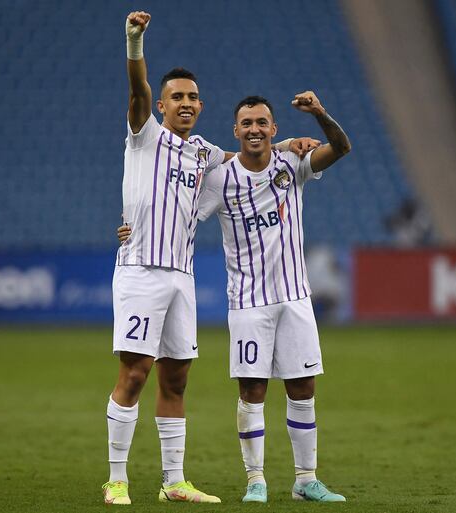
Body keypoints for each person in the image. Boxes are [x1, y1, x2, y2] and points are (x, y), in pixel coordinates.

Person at [103, 11, 318, 505]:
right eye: (176, 96)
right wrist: (134, 41)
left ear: (201, 106)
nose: (185, 103)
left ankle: (174, 481)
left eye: (192, 97)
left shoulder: (203, 153)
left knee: (176, 377)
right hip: (141, 271)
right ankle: (117, 480)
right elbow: (136, 93)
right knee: (135, 373)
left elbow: (245, 153)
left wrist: (286, 142)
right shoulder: (145, 135)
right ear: (161, 105)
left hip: (183, 277)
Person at [194, 93, 351, 503]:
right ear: (235, 131)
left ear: (274, 129)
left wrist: (320, 114)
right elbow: (185, 218)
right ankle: (256, 480)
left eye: (262, 123)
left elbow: (341, 148)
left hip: (296, 299)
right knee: (253, 392)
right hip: (248, 303)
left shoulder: (291, 165)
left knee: (303, 388)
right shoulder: (221, 180)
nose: (254, 130)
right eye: (246, 123)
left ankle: (305, 480)